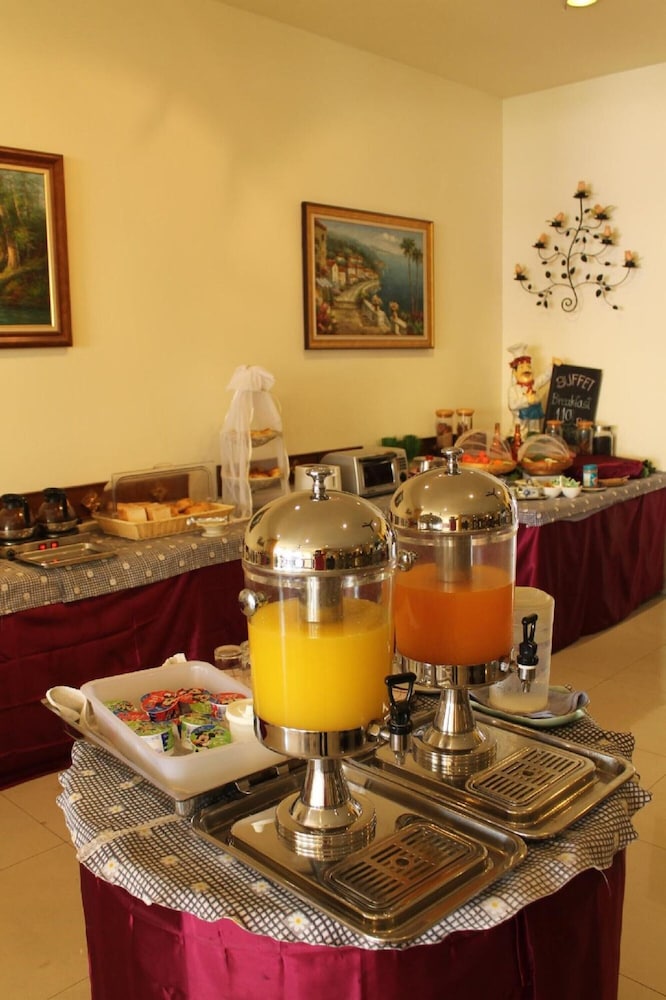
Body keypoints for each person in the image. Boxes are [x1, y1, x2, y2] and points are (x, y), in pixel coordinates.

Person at [507, 343, 560, 436]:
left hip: (534, 422)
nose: (526, 370)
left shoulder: (534, 384)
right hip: (520, 426)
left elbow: (545, 376)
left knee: (534, 434)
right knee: (520, 434)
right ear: (515, 372)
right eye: (522, 367)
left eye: (528, 367)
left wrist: (553, 366)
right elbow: (512, 405)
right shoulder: (513, 389)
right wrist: (526, 400)